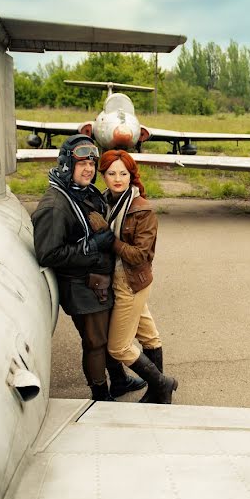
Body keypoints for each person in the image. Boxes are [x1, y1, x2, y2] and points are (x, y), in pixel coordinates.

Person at [31, 135, 146, 401]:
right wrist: (92, 246)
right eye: (81, 163)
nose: (89, 169)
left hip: (97, 283)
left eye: (92, 164)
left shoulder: (84, 192)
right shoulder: (55, 205)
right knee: (96, 343)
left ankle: (118, 380)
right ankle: (100, 394)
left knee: (105, 337)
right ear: (66, 165)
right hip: (81, 287)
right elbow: (48, 253)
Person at [98, 149, 178, 404]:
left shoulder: (142, 210)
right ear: (104, 175)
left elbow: (139, 255)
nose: (117, 178)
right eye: (111, 173)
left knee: (118, 347)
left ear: (131, 176)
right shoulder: (106, 202)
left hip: (130, 284)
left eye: (123, 173)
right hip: (121, 279)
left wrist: (109, 238)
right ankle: (158, 393)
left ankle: (162, 384)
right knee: (149, 336)